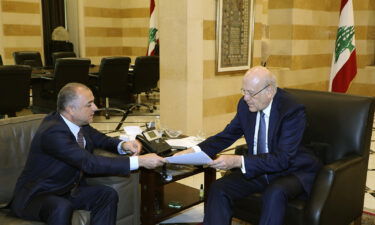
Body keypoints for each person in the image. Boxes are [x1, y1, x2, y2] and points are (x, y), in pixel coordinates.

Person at [176, 66, 322, 225]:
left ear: (270, 91)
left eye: (251, 93)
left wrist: (238, 161)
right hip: (261, 167)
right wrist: (193, 151)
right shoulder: (246, 105)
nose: (245, 98)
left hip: (292, 170)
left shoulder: (291, 110)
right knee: (219, 188)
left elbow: (282, 159)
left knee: (275, 193)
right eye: (243, 91)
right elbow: (227, 135)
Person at [11, 82, 166, 225]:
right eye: (89, 104)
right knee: (61, 206)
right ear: (71, 109)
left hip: (66, 190)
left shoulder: (79, 123)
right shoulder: (53, 132)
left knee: (107, 194)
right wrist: (140, 161)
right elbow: (89, 163)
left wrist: (123, 144)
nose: (96, 108)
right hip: (37, 196)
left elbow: (101, 139)